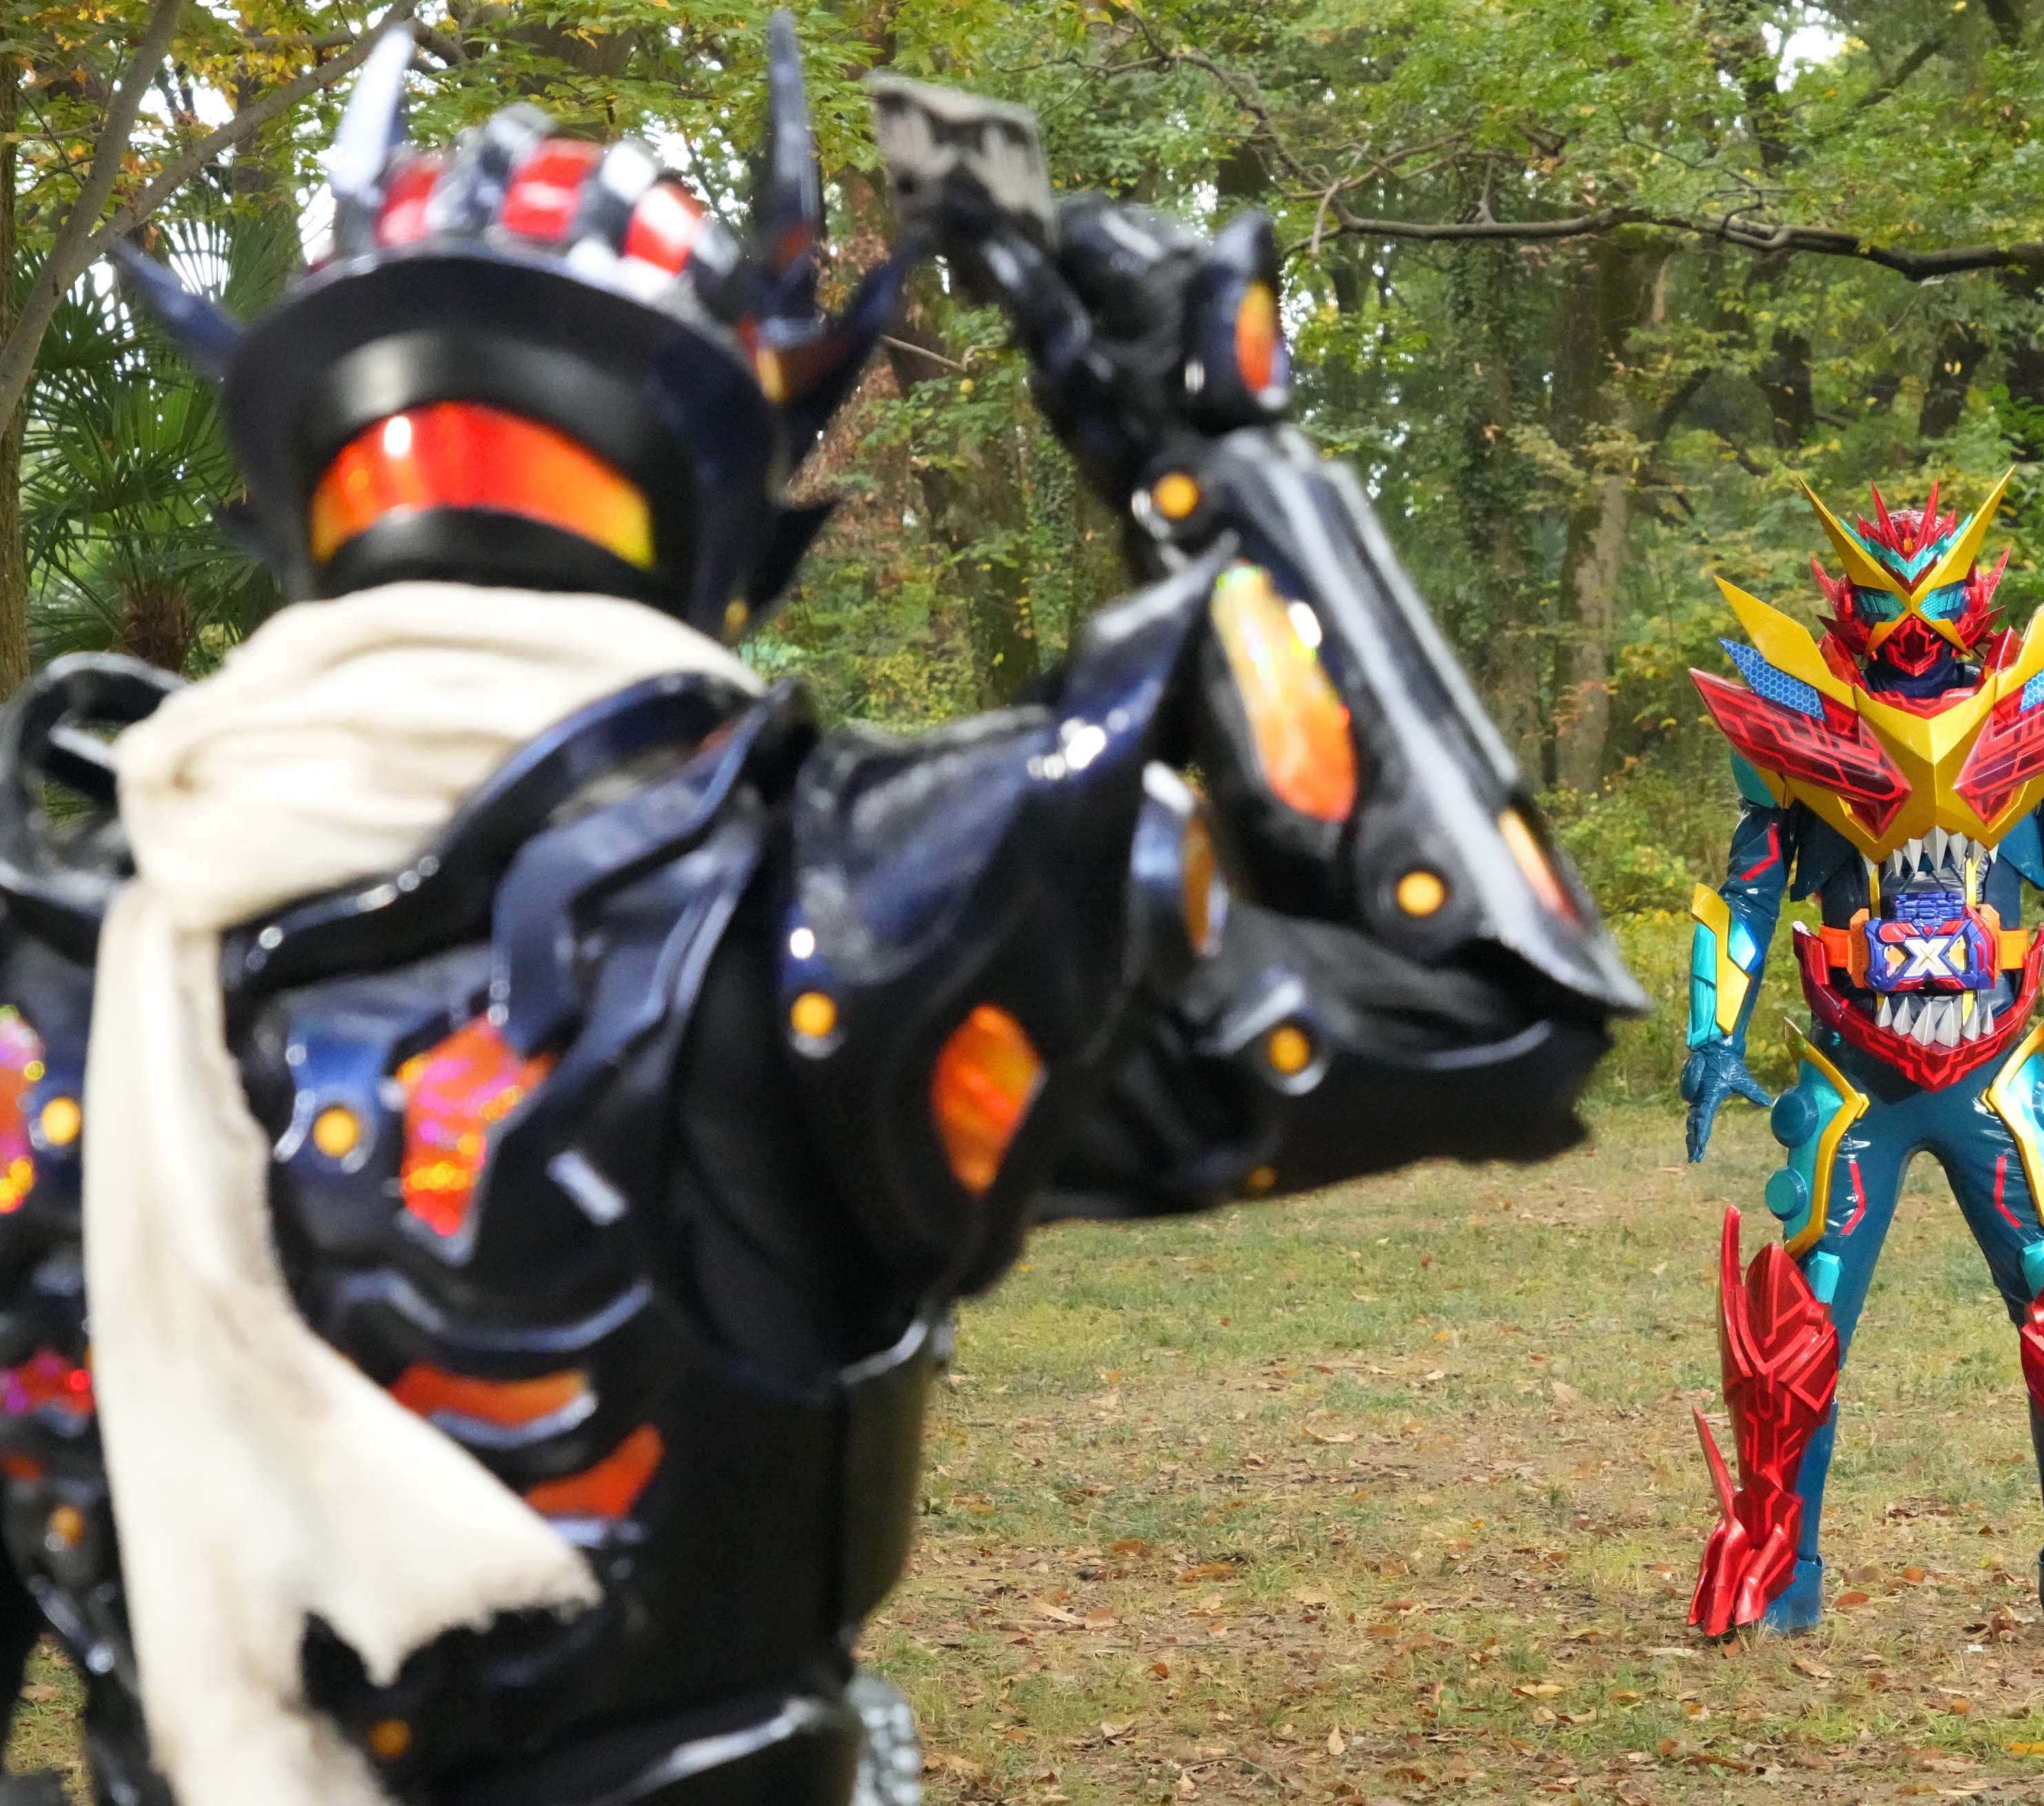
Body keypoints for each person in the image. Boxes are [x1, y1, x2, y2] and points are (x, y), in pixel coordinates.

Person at [0, 24, 1642, 1804]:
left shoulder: (54, 966)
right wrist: (1208, 443)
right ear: (715, 472)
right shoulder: (839, 886)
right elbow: (1490, 1011)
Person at [1675, 477, 2044, 1642]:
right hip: (1855, 1078)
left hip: (1992, 1072)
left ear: (1975, 594)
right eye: (1884, 599)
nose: (1911, 624)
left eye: (1934, 596)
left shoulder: (2027, 724)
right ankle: (1778, 1572)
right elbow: (1747, 892)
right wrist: (1713, 1035)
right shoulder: (1810, 729)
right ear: (1846, 601)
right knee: (1796, 1337)